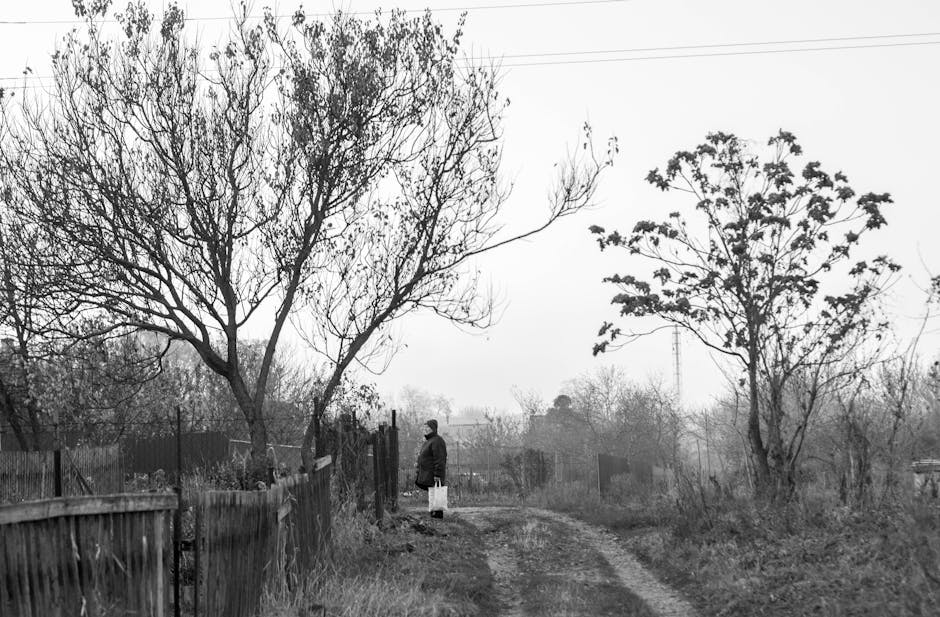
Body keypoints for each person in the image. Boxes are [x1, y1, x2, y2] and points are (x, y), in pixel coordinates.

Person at [415, 418, 447, 518]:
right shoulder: (429, 441)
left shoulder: (437, 441)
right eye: (424, 427)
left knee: (435, 493)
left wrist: (437, 474)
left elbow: (440, 459)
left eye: (427, 427)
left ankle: (436, 515)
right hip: (428, 473)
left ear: (433, 429)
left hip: (433, 474)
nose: (425, 429)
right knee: (432, 493)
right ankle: (433, 514)